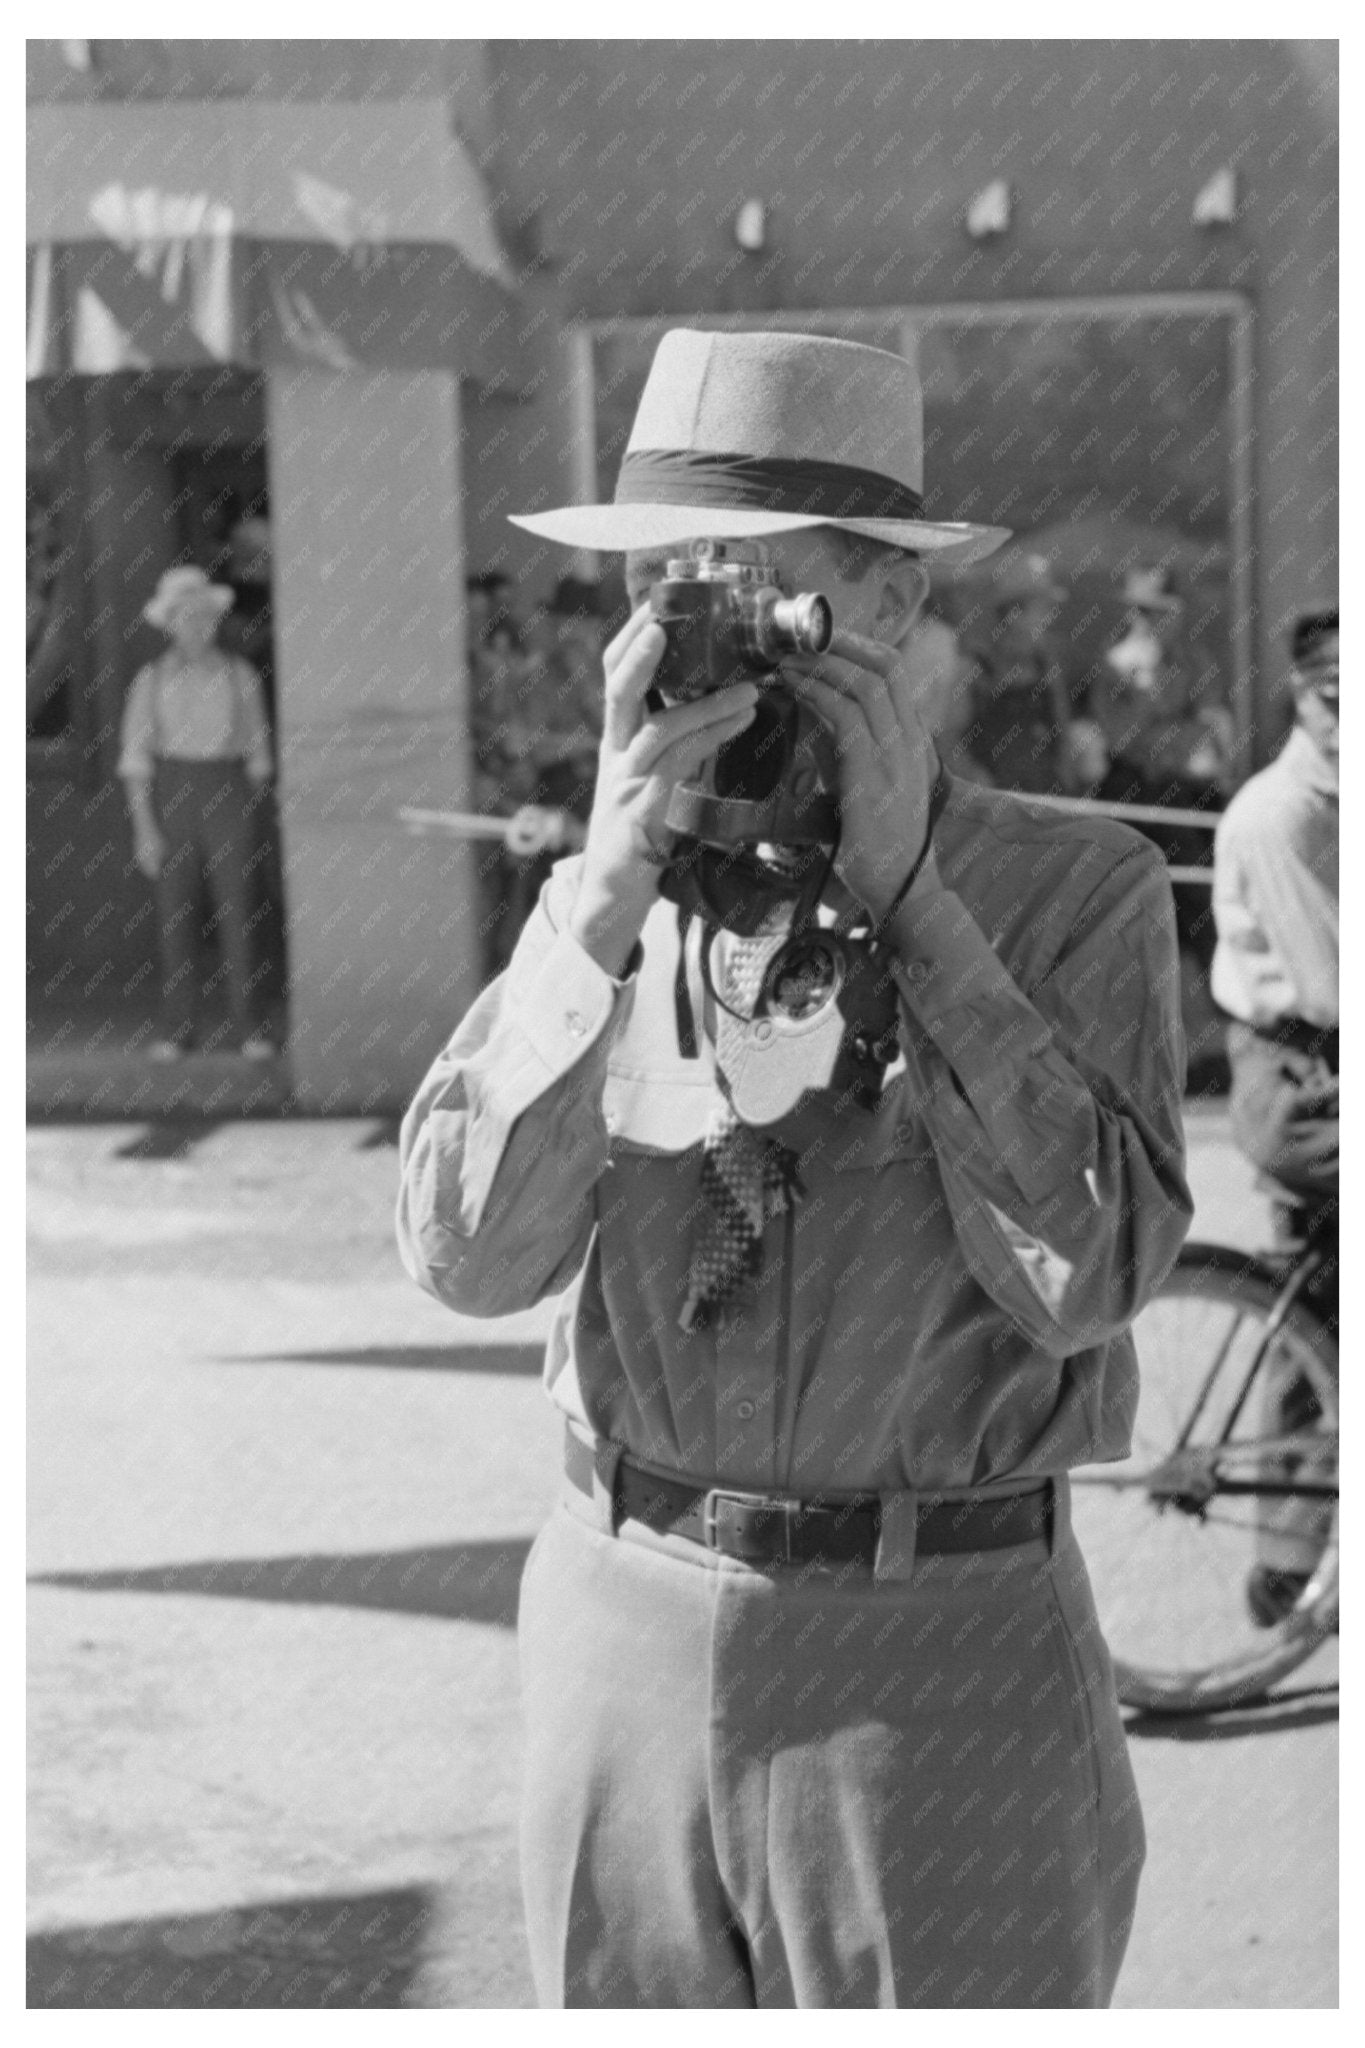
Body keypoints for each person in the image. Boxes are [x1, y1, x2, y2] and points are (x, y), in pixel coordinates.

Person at [397, 329, 1192, 2009]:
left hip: (937, 1654)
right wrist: (600, 898)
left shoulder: (1073, 892)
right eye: (666, 591)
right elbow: (467, 1258)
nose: (711, 641)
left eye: (757, 590)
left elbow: (1090, 1277)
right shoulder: (610, 896)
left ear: (893, 605)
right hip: (621, 1617)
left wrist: (917, 907)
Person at [1211, 608, 1338, 1626]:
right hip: (1298, 1083)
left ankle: (1289, 1565)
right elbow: (1335, 987)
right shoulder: (1280, 813)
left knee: (1319, 1312)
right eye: (1336, 699)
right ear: (1301, 696)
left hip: (1319, 1072)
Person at [117, 566, 275, 1060]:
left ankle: (250, 1028)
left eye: (205, 617)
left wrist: (244, 805)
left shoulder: (240, 675)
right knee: (175, 913)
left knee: (238, 909)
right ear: (169, 623)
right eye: (186, 617)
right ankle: (178, 1029)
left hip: (226, 787)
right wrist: (145, 828)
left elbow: (258, 753)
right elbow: (135, 760)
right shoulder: (151, 680)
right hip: (173, 791)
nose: (197, 627)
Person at [953, 552, 1076, 794]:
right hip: (994, 803)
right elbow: (949, 739)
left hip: (1043, 797)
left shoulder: (1046, 665)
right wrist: (974, 779)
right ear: (1014, 612)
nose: (1049, 619)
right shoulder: (976, 668)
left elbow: (1062, 732)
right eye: (1042, 609)